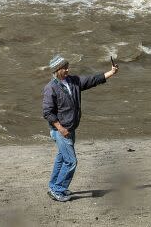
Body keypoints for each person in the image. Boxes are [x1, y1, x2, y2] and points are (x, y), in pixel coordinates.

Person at [42, 54, 118, 202]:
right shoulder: (50, 88)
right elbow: (47, 112)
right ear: (57, 70)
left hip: (70, 128)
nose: (68, 69)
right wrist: (60, 128)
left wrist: (111, 72)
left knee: (62, 158)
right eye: (65, 68)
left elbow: (92, 80)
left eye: (67, 67)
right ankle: (58, 190)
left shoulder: (73, 82)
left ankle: (53, 186)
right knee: (71, 161)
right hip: (61, 131)